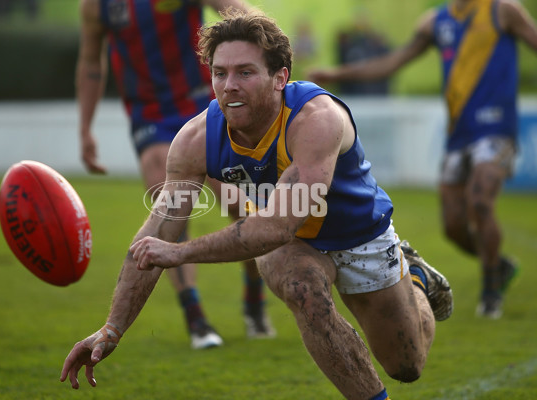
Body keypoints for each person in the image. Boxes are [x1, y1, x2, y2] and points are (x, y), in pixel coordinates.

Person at [61, 10, 454, 399]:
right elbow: (158, 230)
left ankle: (415, 278)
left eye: (245, 73)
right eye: (219, 73)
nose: (229, 85)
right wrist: (111, 329)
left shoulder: (315, 119)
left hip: (359, 236)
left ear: (280, 77)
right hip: (291, 244)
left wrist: (179, 253)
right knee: (302, 289)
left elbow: (275, 225)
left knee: (407, 366)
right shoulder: (195, 140)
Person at [307, 0, 537, 319]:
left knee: (481, 203)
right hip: (459, 133)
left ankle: (491, 290)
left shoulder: (503, 10)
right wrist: (337, 73)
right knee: (453, 226)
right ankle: (497, 265)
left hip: (497, 128)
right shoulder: (434, 21)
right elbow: (393, 62)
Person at [76, 0, 275, 350]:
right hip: (149, 114)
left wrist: (270, 52)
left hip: (202, 102)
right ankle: (195, 316)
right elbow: (92, 60)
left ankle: (255, 299)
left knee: (239, 204)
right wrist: (85, 129)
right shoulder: (96, 5)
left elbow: (234, 10)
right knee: (169, 206)